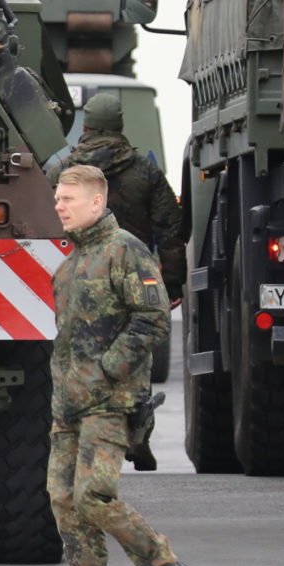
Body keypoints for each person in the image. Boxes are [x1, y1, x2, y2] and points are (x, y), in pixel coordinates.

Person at [41, 164, 195, 566]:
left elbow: (153, 318)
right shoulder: (67, 268)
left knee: (94, 495)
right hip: (68, 408)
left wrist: (107, 370)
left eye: (68, 198)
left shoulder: (124, 251)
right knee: (64, 500)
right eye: (57, 198)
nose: (58, 205)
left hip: (108, 403)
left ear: (96, 202)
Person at [66, 89, 188, 470]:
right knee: (134, 361)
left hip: (80, 279)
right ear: (120, 126)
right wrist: (174, 282)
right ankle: (136, 436)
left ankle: (82, 436)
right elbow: (171, 228)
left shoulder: (65, 170)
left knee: (78, 358)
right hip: (132, 279)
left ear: (85, 127)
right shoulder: (145, 171)